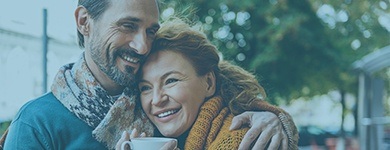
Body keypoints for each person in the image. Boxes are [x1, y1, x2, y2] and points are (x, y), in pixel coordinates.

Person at [2, 0, 295, 149]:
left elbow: (220, 91)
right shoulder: (38, 123)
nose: (142, 45)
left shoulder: (167, 115)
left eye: (150, 30)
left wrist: (271, 117)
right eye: (127, 26)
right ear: (84, 22)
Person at [116, 17, 298, 150]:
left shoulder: (242, 140)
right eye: (145, 88)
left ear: (209, 83)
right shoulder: (150, 135)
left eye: (171, 80)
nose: (156, 100)